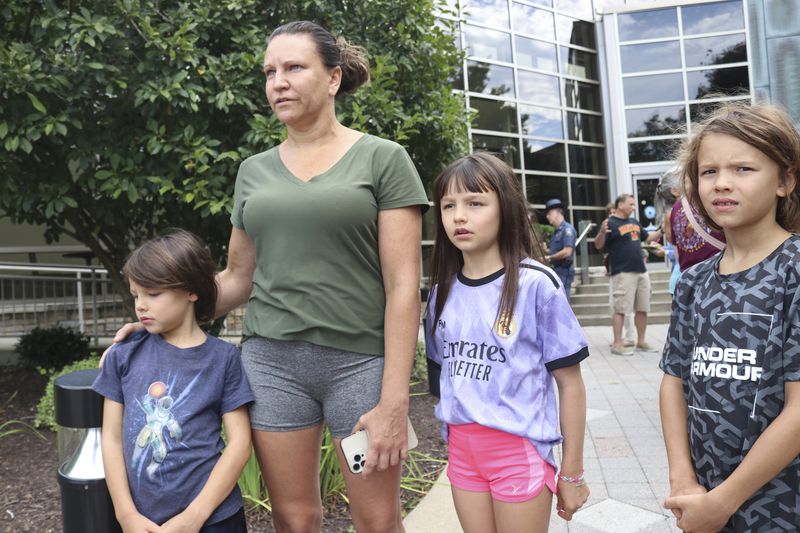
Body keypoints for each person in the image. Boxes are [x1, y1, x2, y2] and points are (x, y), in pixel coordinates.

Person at [108, 20, 428, 532]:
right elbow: (236, 278)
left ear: (333, 79)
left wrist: (395, 399)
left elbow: (402, 287)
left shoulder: (384, 159)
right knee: (293, 518)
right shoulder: (252, 172)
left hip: (361, 365)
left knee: (376, 520)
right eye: (269, 71)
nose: (278, 81)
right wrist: (160, 319)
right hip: (272, 364)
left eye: (294, 67)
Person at [425, 152, 590, 532]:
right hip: (463, 454)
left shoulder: (537, 285)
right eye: (448, 205)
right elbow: (444, 380)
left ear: (506, 208)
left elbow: (570, 383)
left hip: (518, 453)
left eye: (475, 203)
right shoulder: (439, 295)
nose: (459, 216)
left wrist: (572, 472)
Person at [659, 102, 800, 532]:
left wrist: (726, 499)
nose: (722, 183)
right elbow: (673, 381)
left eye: (743, 169)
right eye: (708, 171)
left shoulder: (794, 269)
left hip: (781, 509)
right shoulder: (695, 280)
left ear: (785, 180)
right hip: (704, 504)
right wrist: (683, 479)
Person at [93, 230, 254, 532]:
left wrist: (194, 517)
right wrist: (125, 514)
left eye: (153, 294)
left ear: (192, 290)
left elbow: (240, 443)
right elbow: (111, 439)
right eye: (136, 294)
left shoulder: (224, 358)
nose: (140, 305)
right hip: (140, 521)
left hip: (214, 519)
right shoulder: (124, 355)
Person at [594, 193, 662, 355]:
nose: (633, 207)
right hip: (623, 273)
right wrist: (602, 232)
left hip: (641, 271)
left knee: (642, 308)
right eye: (631, 204)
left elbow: (648, 238)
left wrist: (661, 229)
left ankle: (641, 341)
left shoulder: (634, 222)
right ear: (620, 205)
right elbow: (598, 245)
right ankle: (618, 344)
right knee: (621, 309)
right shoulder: (610, 222)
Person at [543, 198, 576, 301]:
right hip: (557, 270)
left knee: (563, 301)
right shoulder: (556, 231)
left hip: (564, 271)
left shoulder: (567, 229)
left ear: (558, 212)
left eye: (549, 213)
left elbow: (567, 251)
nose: (547, 216)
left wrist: (549, 257)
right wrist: (546, 251)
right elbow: (556, 251)